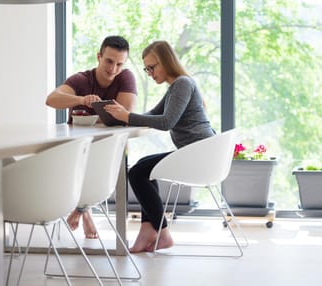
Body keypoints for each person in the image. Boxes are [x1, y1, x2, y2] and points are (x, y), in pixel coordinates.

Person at [104, 40, 215, 252]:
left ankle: (161, 233)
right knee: (143, 168)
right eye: (147, 69)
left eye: (152, 67)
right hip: (195, 151)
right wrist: (123, 116)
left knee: (138, 172)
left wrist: (127, 116)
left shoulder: (182, 84)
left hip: (199, 153)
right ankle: (149, 228)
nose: (150, 73)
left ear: (165, 61)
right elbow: (152, 115)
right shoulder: (176, 86)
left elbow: (166, 122)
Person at [45, 35, 137, 239]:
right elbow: (51, 99)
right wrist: (81, 99)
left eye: (119, 64)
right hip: (77, 147)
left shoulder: (126, 77)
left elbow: (126, 113)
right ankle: (84, 209)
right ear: (99, 56)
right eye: (109, 61)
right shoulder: (81, 80)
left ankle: (82, 208)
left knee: (105, 159)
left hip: (107, 146)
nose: (113, 69)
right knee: (78, 160)